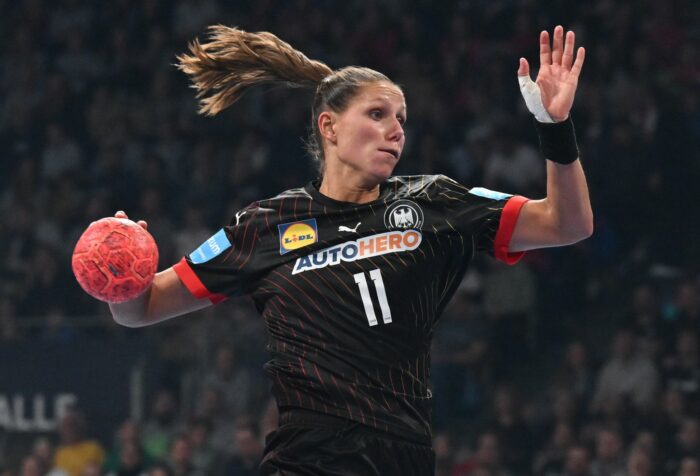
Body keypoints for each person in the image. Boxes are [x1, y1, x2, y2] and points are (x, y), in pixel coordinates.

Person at [107, 24, 591, 475]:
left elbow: (566, 223)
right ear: (329, 127)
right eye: (377, 115)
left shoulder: (435, 201)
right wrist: (118, 272)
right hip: (304, 459)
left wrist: (555, 126)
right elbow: (140, 308)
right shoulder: (265, 225)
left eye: (401, 119)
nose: (396, 130)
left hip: (400, 456)